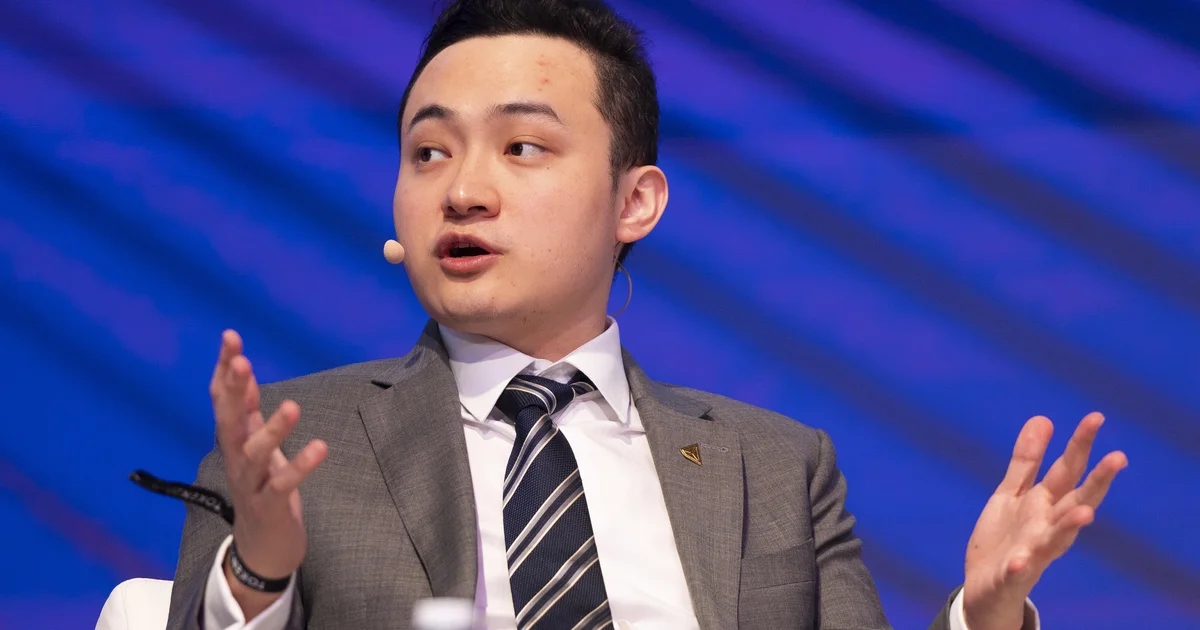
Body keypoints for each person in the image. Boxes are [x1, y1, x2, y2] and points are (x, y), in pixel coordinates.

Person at [165, 0, 1127, 628]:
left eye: (522, 148)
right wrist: (261, 573)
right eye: (428, 153)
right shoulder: (291, 447)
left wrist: (985, 617)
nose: (461, 191)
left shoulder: (775, 467)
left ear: (636, 202)